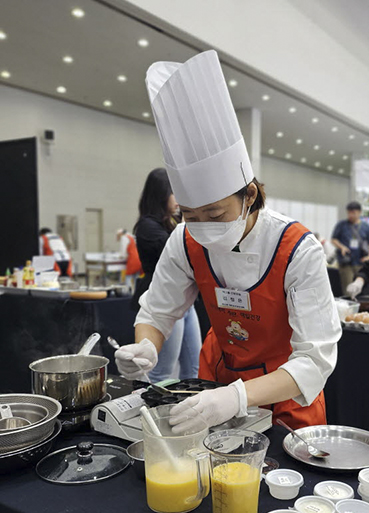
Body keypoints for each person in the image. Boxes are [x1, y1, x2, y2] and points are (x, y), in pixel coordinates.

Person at [115, 50, 341, 431]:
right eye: (189, 215)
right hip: (213, 385)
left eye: (215, 215)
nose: (202, 227)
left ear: (249, 195)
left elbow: (314, 361)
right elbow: (157, 311)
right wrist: (146, 346)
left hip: (284, 396)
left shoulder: (297, 249)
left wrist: (237, 396)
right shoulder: (185, 240)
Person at [123, 168, 202, 382]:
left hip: (186, 301)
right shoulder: (148, 227)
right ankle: (151, 412)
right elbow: (177, 253)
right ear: (161, 194)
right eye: (174, 193)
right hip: (162, 298)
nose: (179, 200)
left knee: (194, 366)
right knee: (160, 370)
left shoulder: (173, 223)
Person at [331, 201, 369, 295]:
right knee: (347, 288)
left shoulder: (365, 227)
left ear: (359, 212)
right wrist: (342, 247)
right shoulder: (342, 225)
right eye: (349, 213)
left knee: (361, 289)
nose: (351, 215)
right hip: (346, 262)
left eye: (353, 213)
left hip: (360, 262)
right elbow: (333, 239)